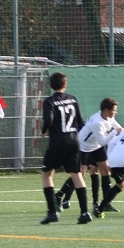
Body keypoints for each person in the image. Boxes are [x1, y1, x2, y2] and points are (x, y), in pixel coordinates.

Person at [39, 72, 93, 225]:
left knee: (47, 174)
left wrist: (44, 130)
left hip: (58, 143)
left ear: (51, 86)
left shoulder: (49, 101)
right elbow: (80, 121)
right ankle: (84, 212)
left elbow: (49, 119)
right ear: (65, 84)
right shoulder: (73, 99)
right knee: (77, 175)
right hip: (74, 142)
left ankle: (52, 212)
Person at [56, 97, 123, 214]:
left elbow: (118, 128)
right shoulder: (97, 122)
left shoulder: (109, 117)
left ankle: (106, 203)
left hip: (96, 146)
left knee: (105, 171)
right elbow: (103, 141)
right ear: (106, 110)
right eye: (114, 110)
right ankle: (58, 195)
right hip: (82, 147)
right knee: (79, 175)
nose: (115, 112)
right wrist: (114, 132)